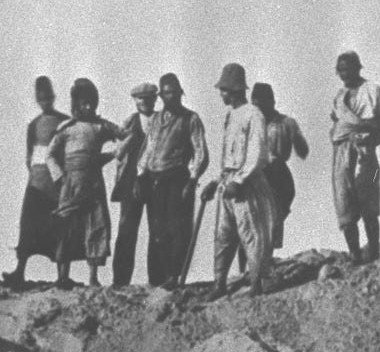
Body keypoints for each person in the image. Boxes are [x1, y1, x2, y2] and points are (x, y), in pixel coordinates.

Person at [204, 63, 275, 297]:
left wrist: (241, 180)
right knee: (223, 236)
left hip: (247, 185)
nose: (221, 94)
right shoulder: (230, 115)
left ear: (234, 90)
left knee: (251, 234)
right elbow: (228, 157)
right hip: (228, 182)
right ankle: (219, 282)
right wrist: (216, 182)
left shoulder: (253, 114)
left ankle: (256, 283)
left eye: (224, 89)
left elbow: (257, 152)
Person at [49, 78, 123, 288]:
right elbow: (50, 154)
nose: (88, 107)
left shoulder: (101, 126)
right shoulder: (66, 128)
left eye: (91, 103)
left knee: (96, 226)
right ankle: (62, 276)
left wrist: (113, 154)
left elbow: (123, 135)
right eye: (84, 103)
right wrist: (59, 177)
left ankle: (93, 277)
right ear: (76, 105)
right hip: (70, 183)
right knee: (66, 228)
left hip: (93, 183)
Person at [137, 72, 209, 287]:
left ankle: (174, 276)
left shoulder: (190, 119)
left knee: (177, 229)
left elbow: (201, 152)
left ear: (180, 93)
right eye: (166, 94)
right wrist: (141, 175)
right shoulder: (156, 119)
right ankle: (159, 276)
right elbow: (149, 149)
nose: (171, 97)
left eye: (174, 93)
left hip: (178, 178)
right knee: (158, 229)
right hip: (156, 179)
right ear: (161, 95)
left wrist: (192, 179)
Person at [328, 51, 380, 263]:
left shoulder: (374, 91)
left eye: (349, 69)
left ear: (358, 68)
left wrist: (368, 139)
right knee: (344, 201)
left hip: (366, 155)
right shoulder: (339, 97)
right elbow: (337, 123)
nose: (345, 74)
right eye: (341, 70)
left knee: (369, 200)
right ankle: (355, 253)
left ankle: (373, 249)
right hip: (341, 154)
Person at [3, 76, 69, 287]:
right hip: (37, 181)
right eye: (41, 99)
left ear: (53, 97)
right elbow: (28, 156)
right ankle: (19, 271)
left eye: (48, 98)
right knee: (29, 225)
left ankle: (62, 275)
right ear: (37, 100)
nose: (45, 102)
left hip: (57, 180)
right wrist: (35, 175)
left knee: (60, 225)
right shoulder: (33, 125)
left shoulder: (64, 122)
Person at [252, 82, 310, 252]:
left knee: (273, 216)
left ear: (271, 101)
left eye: (261, 102)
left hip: (277, 173)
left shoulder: (285, 122)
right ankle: (247, 268)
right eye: (254, 102)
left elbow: (303, 151)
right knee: (250, 220)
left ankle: (265, 262)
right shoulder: (251, 124)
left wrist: (295, 137)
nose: (258, 107)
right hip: (254, 173)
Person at [109, 82, 155, 286]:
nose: (144, 102)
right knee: (127, 230)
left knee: (157, 230)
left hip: (155, 181)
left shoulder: (161, 121)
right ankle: (120, 280)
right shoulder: (128, 123)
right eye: (140, 98)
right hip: (130, 181)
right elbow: (119, 154)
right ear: (135, 100)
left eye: (148, 98)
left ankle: (157, 278)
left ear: (155, 99)